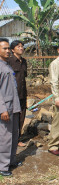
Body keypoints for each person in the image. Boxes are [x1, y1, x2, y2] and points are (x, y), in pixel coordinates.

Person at [0, 38, 22, 176]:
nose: (8, 51)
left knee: (14, 135)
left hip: (13, 107)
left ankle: (11, 160)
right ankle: (2, 166)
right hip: (5, 109)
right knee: (5, 138)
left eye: (9, 48)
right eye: (5, 48)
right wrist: (2, 109)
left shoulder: (7, 65)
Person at [8, 40, 27, 147]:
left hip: (23, 94)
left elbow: (23, 78)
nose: (21, 48)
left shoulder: (24, 61)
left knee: (21, 116)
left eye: (22, 46)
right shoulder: (9, 61)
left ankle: (17, 138)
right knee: (12, 117)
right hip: (12, 95)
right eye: (18, 46)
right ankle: (9, 139)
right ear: (12, 49)